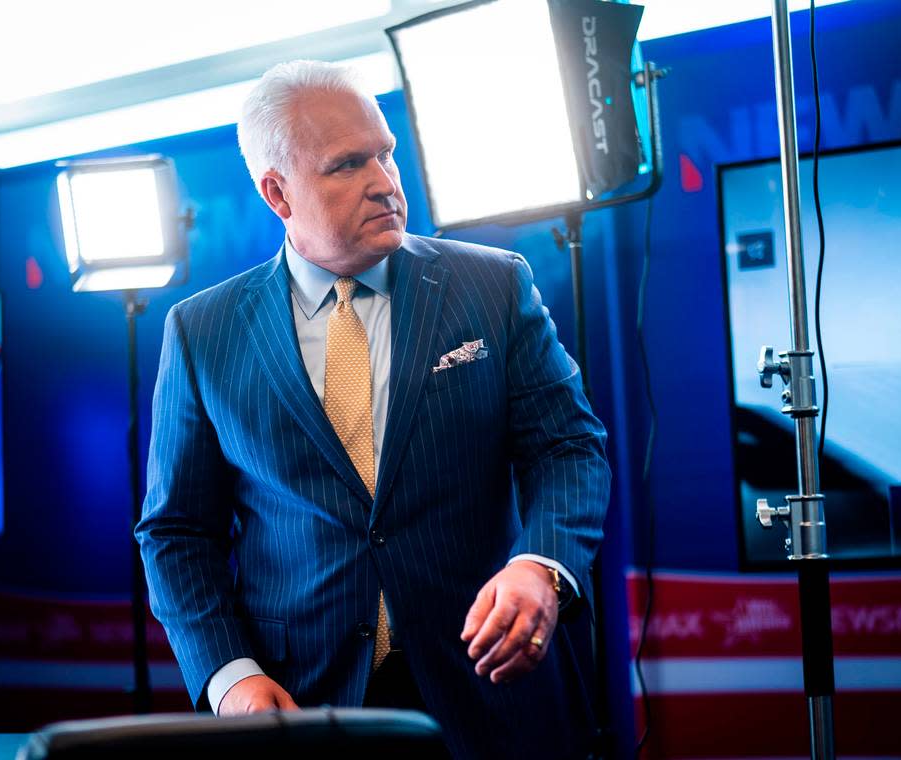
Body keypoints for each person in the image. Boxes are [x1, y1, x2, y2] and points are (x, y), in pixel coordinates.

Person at [136, 59, 610, 759]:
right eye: (347, 164)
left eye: (386, 154)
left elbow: (568, 448)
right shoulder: (202, 332)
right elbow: (177, 532)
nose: (386, 182)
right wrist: (230, 678)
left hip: (495, 691)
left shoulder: (494, 286)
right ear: (277, 192)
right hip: (302, 705)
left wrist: (540, 565)